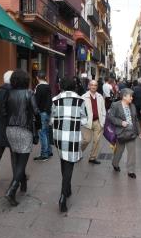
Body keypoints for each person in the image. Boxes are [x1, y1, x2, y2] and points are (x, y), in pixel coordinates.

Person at [51, 77, 87, 213]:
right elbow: (84, 119)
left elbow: (52, 118)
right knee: (69, 165)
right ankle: (62, 197)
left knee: (63, 161)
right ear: (74, 86)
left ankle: (68, 188)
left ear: (61, 86)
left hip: (59, 135)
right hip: (72, 136)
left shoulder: (55, 100)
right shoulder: (80, 100)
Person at [4, 69, 40, 206]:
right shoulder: (29, 93)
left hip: (10, 129)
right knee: (22, 162)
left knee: (16, 158)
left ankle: (23, 183)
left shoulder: (8, 93)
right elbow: (36, 111)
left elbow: (3, 111)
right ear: (26, 80)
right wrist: (39, 124)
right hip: (24, 129)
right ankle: (11, 191)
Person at [108, 88, 139, 178]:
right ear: (124, 96)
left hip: (131, 132)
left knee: (132, 152)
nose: (132, 98)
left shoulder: (132, 106)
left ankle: (131, 171)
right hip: (121, 132)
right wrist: (121, 122)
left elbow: (136, 119)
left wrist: (139, 132)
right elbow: (111, 117)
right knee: (119, 151)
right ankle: (115, 163)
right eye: (130, 96)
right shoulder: (115, 105)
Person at [81, 80, 106, 164]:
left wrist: (102, 121)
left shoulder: (100, 97)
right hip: (87, 122)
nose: (93, 86)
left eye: (95, 85)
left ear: (97, 86)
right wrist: (82, 120)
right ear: (88, 86)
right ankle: (78, 152)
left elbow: (103, 110)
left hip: (97, 122)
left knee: (97, 141)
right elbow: (80, 111)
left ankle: (92, 157)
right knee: (86, 140)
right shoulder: (83, 97)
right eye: (91, 85)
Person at [33, 71, 53, 161]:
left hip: (42, 112)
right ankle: (49, 151)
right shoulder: (48, 86)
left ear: (37, 77)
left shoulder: (39, 87)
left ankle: (44, 154)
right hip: (48, 112)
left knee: (42, 133)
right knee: (46, 132)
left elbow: (36, 101)